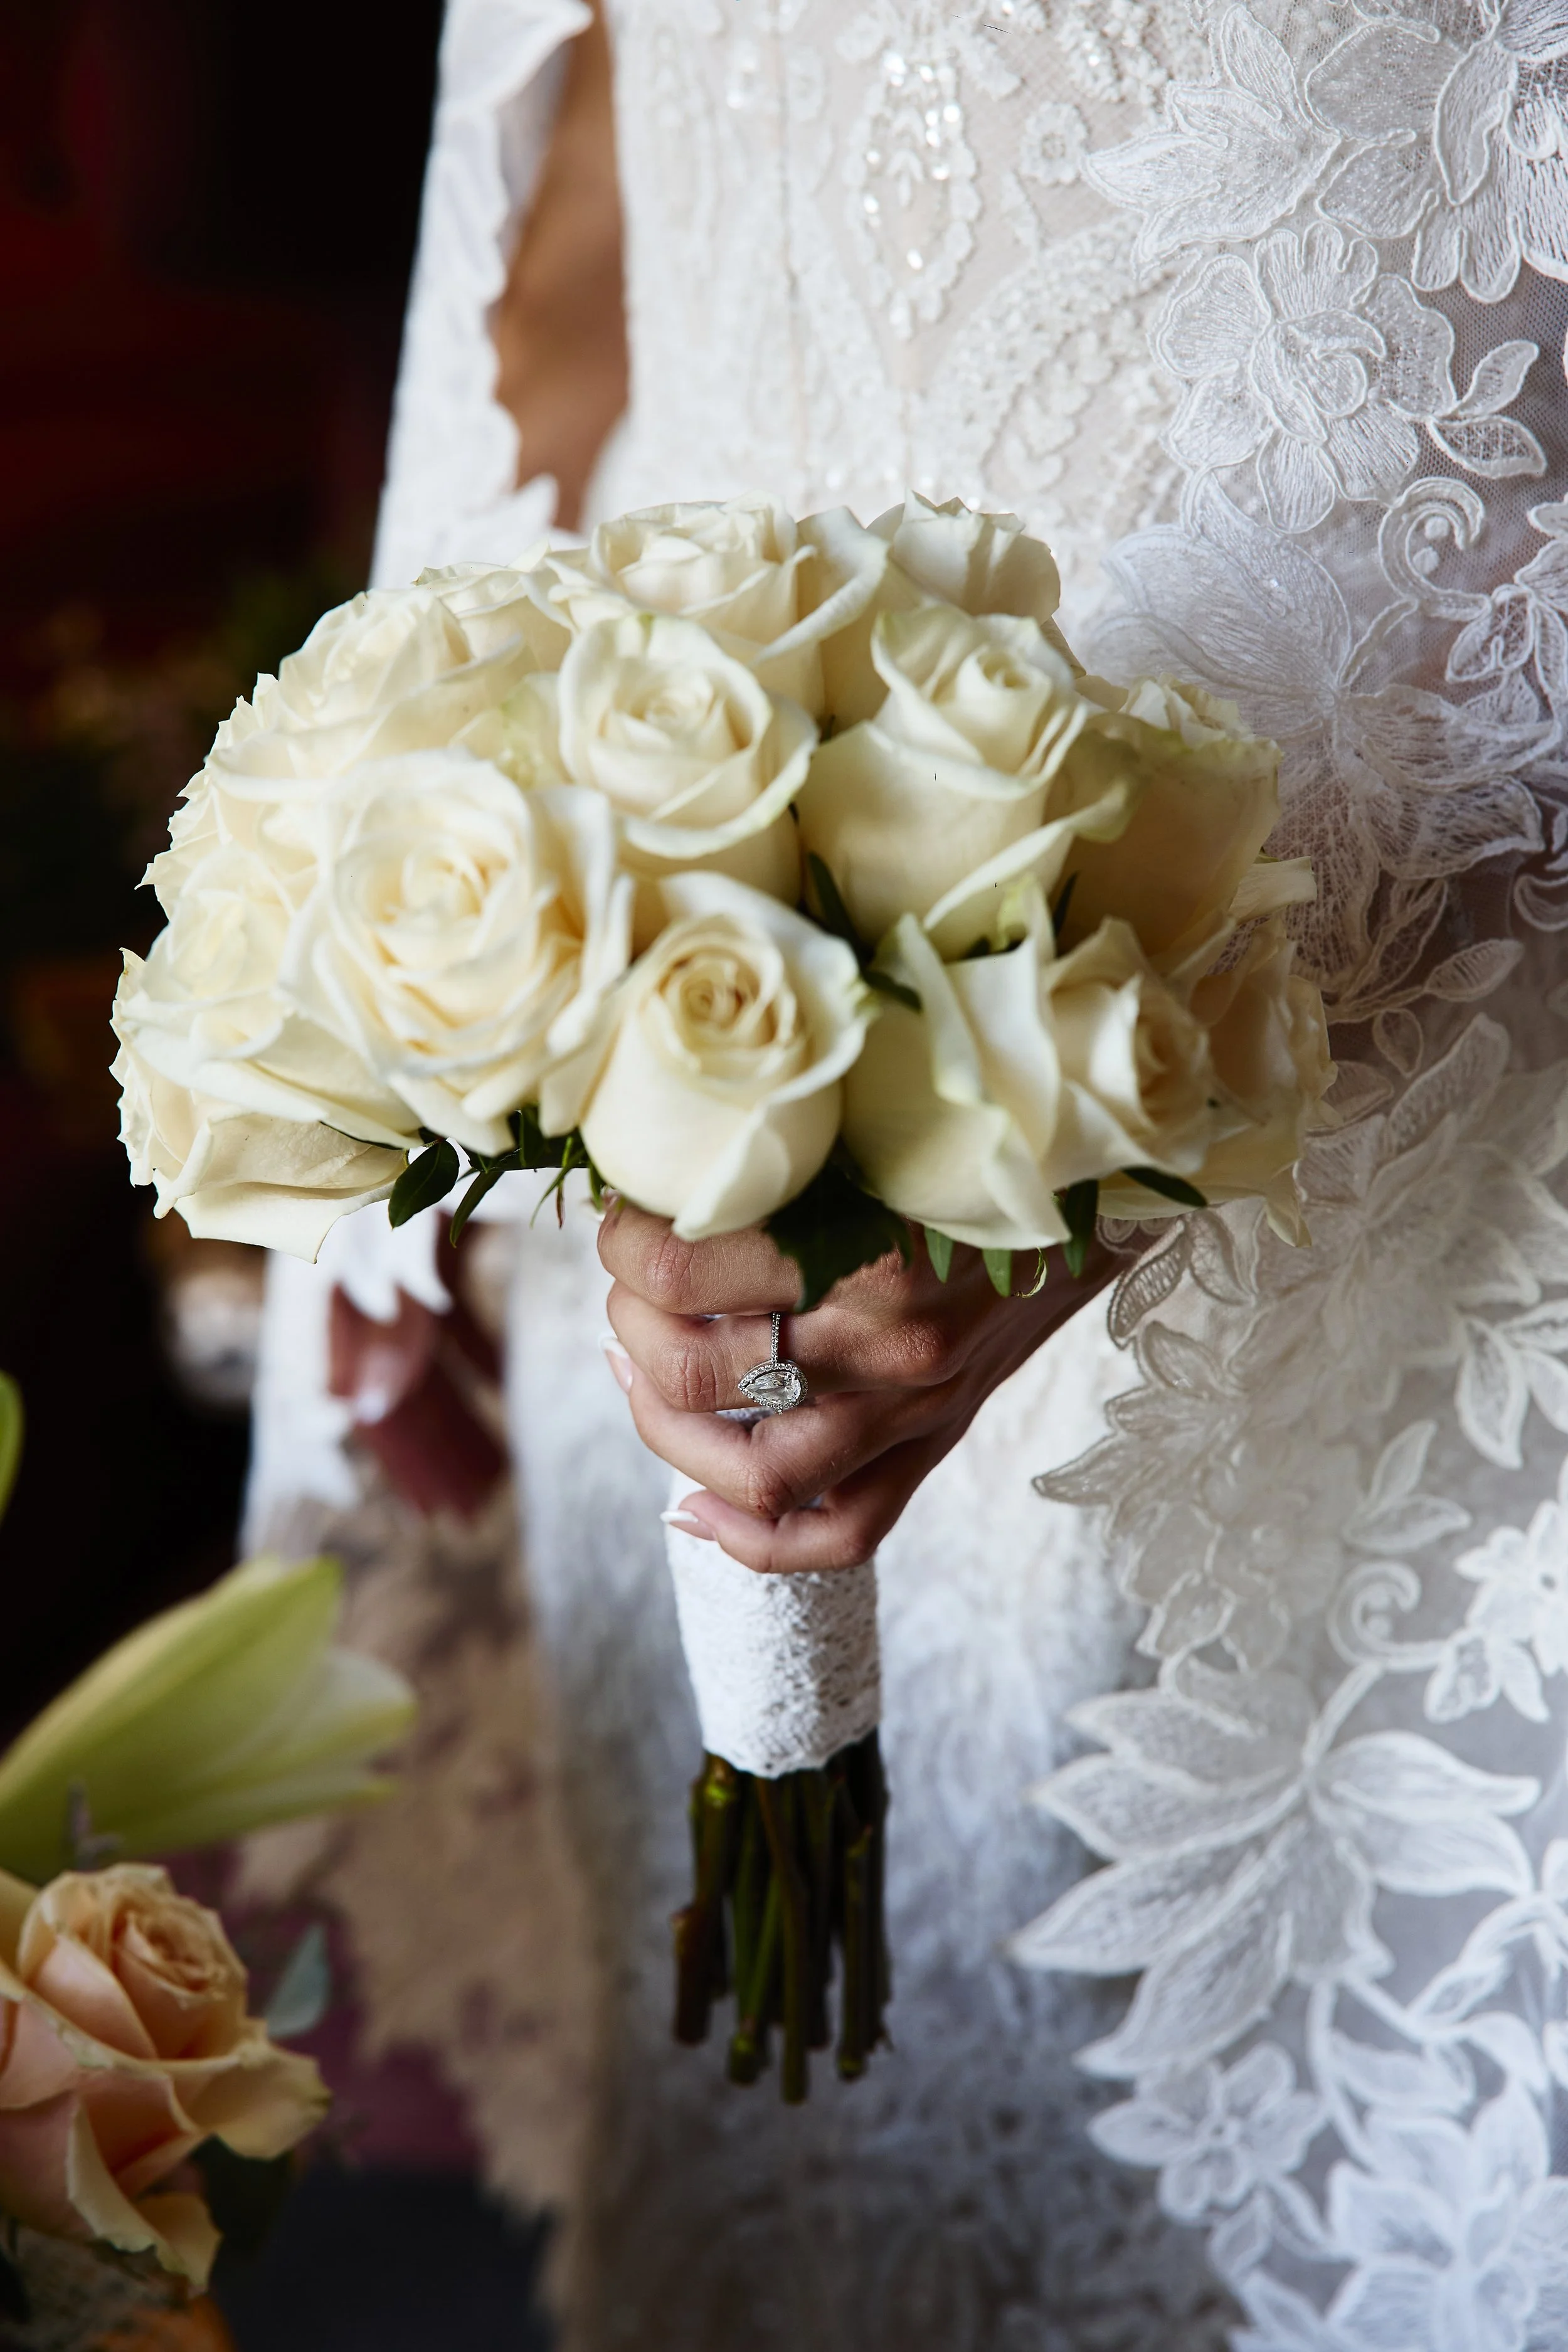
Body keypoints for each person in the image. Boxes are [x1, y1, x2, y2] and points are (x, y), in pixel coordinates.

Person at [249, 4, 1568, 2345]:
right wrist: (406, 1056)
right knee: (814, 2148)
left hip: (1410, 1147)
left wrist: (1075, 1046)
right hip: (669, 969)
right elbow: (582, 154)